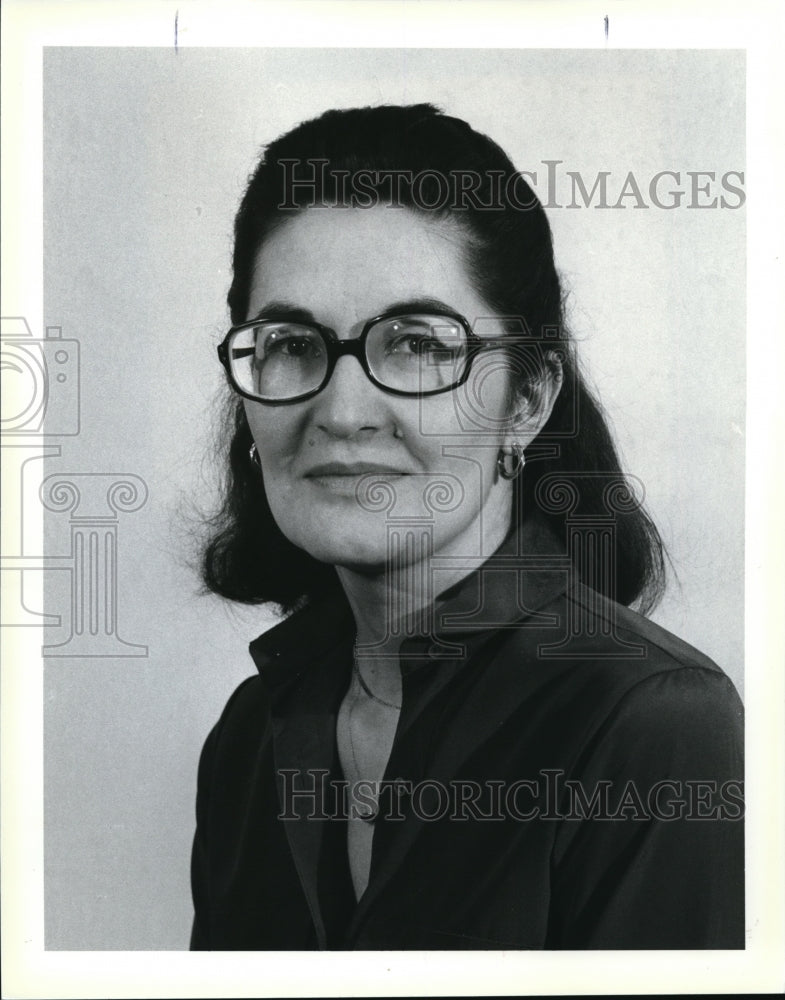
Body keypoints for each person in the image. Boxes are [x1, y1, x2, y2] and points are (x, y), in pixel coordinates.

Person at [190, 104, 744, 950]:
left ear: (525, 401)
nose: (341, 412)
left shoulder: (650, 724)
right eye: (292, 342)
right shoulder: (248, 738)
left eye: (416, 344)